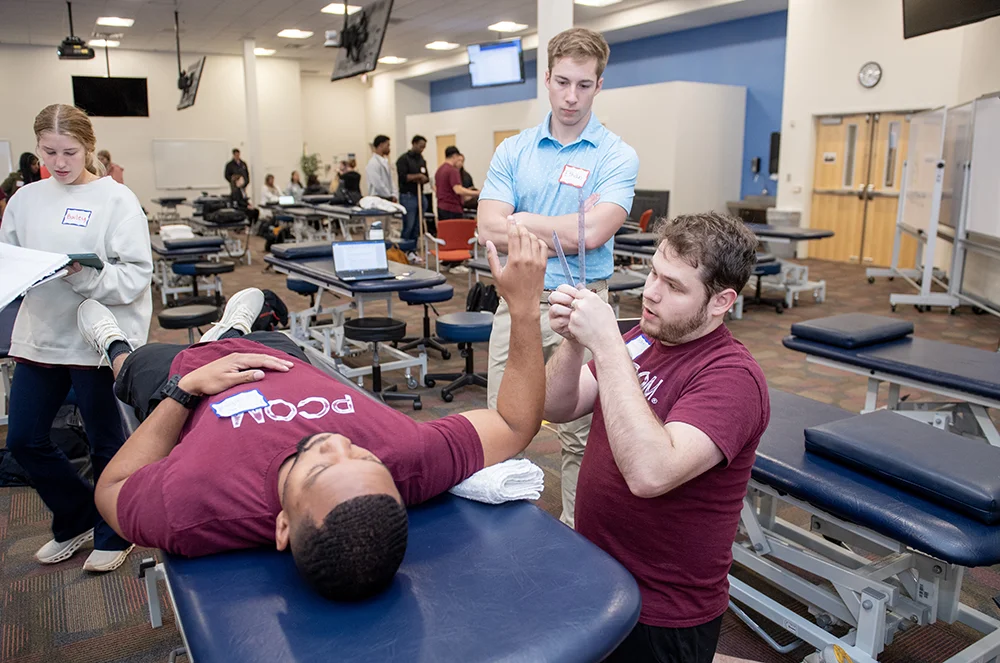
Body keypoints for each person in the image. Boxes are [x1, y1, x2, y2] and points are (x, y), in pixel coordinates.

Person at [83, 221, 547, 600]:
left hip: (188, 380)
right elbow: (514, 423)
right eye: (365, 458)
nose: (337, 443)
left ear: (282, 525)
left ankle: (115, 345)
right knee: (268, 329)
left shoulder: (192, 505)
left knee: (136, 367)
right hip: (284, 357)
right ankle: (230, 331)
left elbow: (111, 490)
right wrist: (523, 309)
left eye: (320, 468)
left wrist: (183, 392)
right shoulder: (407, 458)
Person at [544, 213, 770, 663]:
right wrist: (574, 340)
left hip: (663, 611)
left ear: (721, 301)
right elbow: (557, 406)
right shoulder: (646, 339)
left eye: (675, 286)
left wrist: (606, 344)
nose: (650, 292)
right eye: (652, 272)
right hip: (599, 574)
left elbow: (650, 474)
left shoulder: (732, 377)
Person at [476, 27, 639, 527]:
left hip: (585, 299)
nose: (571, 97)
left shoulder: (616, 155)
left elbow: (594, 233)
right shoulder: (514, 151)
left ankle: (576, 537)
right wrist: (566, 227)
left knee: (579, 435)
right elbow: (487, 225)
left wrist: (522, 221)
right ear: (546, 79)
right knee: (503, 423)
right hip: (520, 299)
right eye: (562, 82)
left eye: (584, 85)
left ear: (599, 85)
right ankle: (494, 531)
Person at [0, 103, 153, 573]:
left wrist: (79, 276)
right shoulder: (26, 200)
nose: (60, 162)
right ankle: (77, 516)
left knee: (106, 443)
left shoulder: (115, 199)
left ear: (88, 147)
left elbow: (136, 276)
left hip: (97, 334)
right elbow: (9, 259)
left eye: (70, 151)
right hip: (41, 333)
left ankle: (114, 531)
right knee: (24, 439)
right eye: (50, 152)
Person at [396, 135, 429, 245]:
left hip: (419, 195)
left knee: (417, 225)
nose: (422, 149)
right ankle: (404, 249)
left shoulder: (422, 160)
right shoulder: (403, 159)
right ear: (414, 144)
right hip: (408, 196)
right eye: (420, 146)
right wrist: (417, 176)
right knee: (408, 225)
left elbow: (426, 177)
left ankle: (413, 248)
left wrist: (423, 178)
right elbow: (403, 177)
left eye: (424, 147)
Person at [434, 146, 479, 221]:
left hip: (441, 207)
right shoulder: (453, 171)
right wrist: (477, 193)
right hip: (452, 208)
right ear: (454, 156)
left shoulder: (439, 170)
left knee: (445, 231)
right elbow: (458, 190)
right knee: (455, 232)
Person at [366, 135, 397, 202]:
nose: (389, 148)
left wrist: (394, 194)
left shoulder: (385, 162)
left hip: (387, 198)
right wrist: (389, 196)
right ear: (381, 145)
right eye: (388, 145)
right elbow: (378, 184)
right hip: (378, 199)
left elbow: (391, 181)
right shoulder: (373, 163)